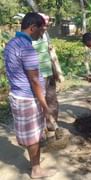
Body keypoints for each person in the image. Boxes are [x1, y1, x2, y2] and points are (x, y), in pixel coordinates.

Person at [4, 12, 56, 178]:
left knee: (27, 133)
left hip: (17, 94)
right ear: (32, 28)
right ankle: (36, 170)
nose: (42, 34)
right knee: (33, 136)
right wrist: (45, 106)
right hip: (28, 97)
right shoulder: (27, 48)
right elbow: (34, 81)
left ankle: (35, 166)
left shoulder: (12, 43)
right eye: (41, 30)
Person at [32, 13, 61, 135]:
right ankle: (40, 130)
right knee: (38, 103)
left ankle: (52, 125)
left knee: (52, 100)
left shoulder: (45, 35)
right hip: (37, 77)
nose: (45, 27)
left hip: (48, 74)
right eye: (43, 25)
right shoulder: (30, 37)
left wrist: (58, 72)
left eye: (47, 25)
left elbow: (51, 54)